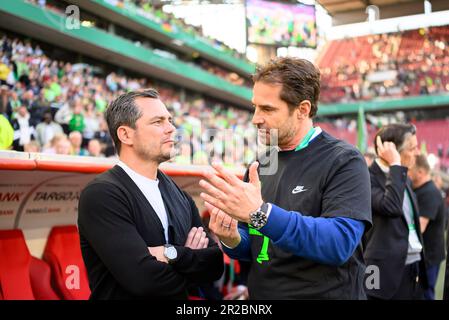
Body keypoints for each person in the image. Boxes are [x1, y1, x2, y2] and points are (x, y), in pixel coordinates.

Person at [199, 57, 372, 299]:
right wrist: (232, 238)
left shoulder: (344, 160)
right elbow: (259, 247)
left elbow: (339, 243)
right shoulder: (261, 162)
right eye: (255, 107)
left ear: (303, 109)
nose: (255, 118)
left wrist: (260, 213)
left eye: (267, 109)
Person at [78, 89, 223, 299]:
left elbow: (214, 264)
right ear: (125, 134)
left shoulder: (177, 194)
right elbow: (143, 281)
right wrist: (189, 257)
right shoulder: (102, 194)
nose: (171, 128)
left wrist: (169, 253)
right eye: (158, 122)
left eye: (170, 120)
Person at [364, 123, 427, 300]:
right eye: (412, 148)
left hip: (412, 266)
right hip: (381, 272)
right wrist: (395, 165)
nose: (418, 153)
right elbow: (390, 207)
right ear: (392, 150)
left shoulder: (402, 176)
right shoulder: (366, 178)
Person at [410, 154, 446, 300]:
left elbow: (420, 227)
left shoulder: (430, 192)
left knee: (425, 293)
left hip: (429, 257)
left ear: (420, 172)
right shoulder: (420, 189)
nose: (408, 171)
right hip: (422, 254)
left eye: (411, 169)